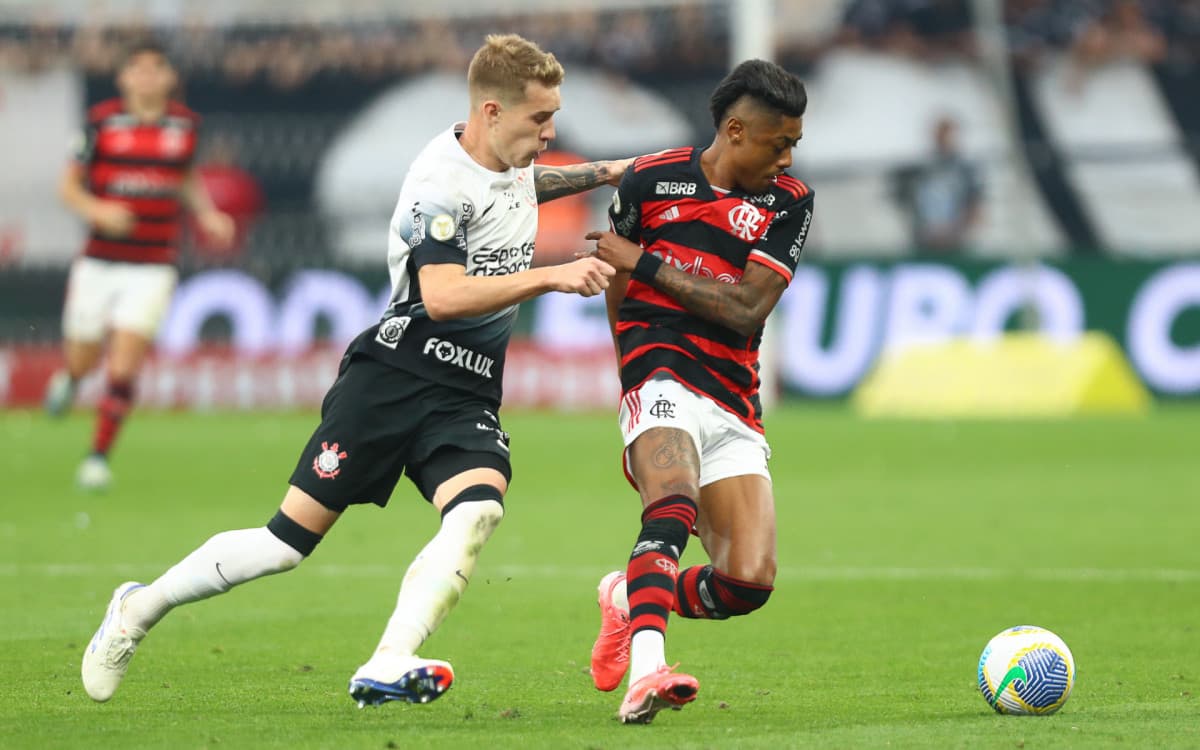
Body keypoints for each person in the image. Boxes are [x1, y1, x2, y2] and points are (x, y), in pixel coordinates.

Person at [80, 33, 627, 707]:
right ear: (490, 111)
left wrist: (604, 170)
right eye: (539, 119)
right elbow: (444, 297)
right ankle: (136, 609)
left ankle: (389, 660)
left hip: (464, 391)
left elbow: (520, 184)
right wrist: (553, 276)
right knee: (284, 545)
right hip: (392, 376)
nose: (550, 132)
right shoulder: (438, 184)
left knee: (478, 509)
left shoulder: (500, 157)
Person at [584, 59, 814, 724]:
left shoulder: (788, 203)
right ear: (737, 131)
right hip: (659, 374)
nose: (790, 156)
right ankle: (648, 672)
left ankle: (629, 596)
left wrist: (649, 261)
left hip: (732, 396)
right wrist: (631, 368)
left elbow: (746, 311)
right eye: (781, 142)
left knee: (747, 582)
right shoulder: (650, 181)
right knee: (671, 504)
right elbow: (618, 289)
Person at [45, 39, 236, 490]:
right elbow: (67, 188)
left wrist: (207, 213)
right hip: (99, 261)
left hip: (153, 263)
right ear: (124, 77)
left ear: (170, 77)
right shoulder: (101, 123)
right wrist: (98, 211)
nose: (147, 77)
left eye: (157, 69)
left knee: (124, 364)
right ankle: (71, 380)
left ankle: (97, 458)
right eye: (139, 69)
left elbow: (184, 178)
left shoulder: (185, 127)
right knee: (84, 357)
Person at [893, 116, 982, 254]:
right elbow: (906, 198)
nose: (945, 140)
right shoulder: (921, 169)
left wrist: (957, 229)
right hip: (924, 239)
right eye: (941, 135)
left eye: (948, 136)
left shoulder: (965, 170)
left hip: (955, 241)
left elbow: (974, 203)